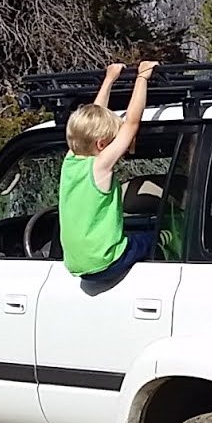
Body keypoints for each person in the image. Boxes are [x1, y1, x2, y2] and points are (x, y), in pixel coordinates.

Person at [60, 60, 158, 282]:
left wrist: (109, 79)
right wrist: (142, 78)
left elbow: (93, 116)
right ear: (102, 146)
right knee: (154, 237)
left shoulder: (69, 160)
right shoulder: (100, 166)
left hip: (77, 265)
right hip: (107, 262)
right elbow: (132, 124)